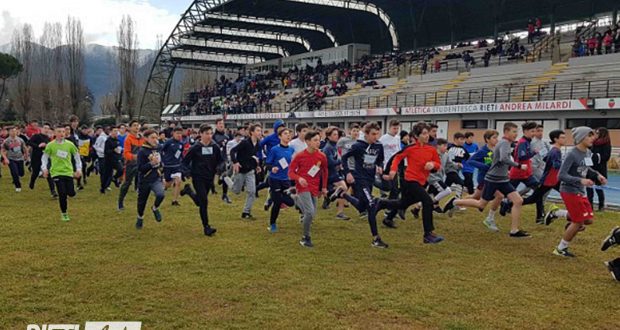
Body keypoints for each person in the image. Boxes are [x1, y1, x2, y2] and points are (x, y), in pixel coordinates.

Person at [448, 122, 530, 238]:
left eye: (517, 132)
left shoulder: (503, 144)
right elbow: (503, 158)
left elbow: (499, 160)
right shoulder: (504, 143)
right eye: (514, 131)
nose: (516, 134)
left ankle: (514, 230)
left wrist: (504, 169)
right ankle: (455, 202)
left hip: (503, 180)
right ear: (506, 132)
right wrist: (518, 166)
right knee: (480, 203)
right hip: (492, 179)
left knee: (518, 200)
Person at [377, 122, 445, 243]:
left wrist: (433, 164)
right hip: (410, 181)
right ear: (417, 136)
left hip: (422, 182)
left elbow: (438, 165)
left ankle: (381, 204)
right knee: (427, 201)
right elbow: (397, 157)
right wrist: (392, 170)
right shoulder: (411, 148)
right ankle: (428, 234)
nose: (427, 136)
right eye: (424, 133)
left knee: (402, 203)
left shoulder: (431, 149)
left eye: (427, 133)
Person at [552, 127, 607, 257]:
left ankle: (557, 213)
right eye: (589, 136)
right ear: (581, 138)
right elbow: (561, 176)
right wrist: (580, 180)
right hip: (569, 190)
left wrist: (597, 175)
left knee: (588, 220)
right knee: (578, 222)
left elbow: (586, 169)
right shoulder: (572, 154)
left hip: (580, 191)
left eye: (593, 135)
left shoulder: (587, 152)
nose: (593, 138)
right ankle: (560, 249)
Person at [336, 122, 389, 248]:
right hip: (359, 178)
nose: (375, 137)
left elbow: (380, 160)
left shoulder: (378, 146)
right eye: (373, 134)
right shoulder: (358, 146)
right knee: (371, 205)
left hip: (370, 179)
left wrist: (380, 167)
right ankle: (376, 238)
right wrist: (348, 173)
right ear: (366, 134)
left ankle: (343, 194)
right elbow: (344, 158)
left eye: (377, 134)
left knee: (362, 206)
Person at [180, 124, 225, 237]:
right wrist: (187, 172)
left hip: (209, 178)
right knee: (204, 202)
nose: (209, 136)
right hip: (198, 177)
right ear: (201, 134)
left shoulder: (215, 147)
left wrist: (219, 168)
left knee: (200, 202)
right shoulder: (195, 147)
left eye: (210, 133)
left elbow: (221, 161)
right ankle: (206, 227)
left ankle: (189, 191)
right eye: (206, 134)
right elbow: (184, 162)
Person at [288, 130, 328, 248]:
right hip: (303, 187)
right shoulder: (299, 156)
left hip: (315, 187)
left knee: (311, 214)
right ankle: (305, 237)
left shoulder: (322, 156)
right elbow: (290, 172)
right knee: (309, 212)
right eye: (315, 140)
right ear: (307, 142)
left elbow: (325, 171)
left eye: (319, 140)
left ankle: (296, 200)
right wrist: (299, 178)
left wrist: (324, 187)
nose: (318, 143)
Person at [521, 130, 565, 224]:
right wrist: (566, 165)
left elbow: (547, 159)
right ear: (555, 139)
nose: (564, 139)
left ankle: (541, 217)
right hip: (547, 181)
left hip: (554, 180)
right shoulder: (555, 152)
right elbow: (556, 165)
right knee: (533, 199)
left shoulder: (554, 150)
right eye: (562, 137)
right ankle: (510, 204)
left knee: (566, 193)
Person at [41, 125, 82, 221]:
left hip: (68, 172)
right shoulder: (50, 145)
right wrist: (44, 169)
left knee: (71, 193)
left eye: (63, 132)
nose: (61, 134)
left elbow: (77, 156)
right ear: (55, 133)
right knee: (62, 194)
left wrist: (79, 169)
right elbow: (44, 157)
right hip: (56, 172)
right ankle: (64, 213)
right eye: (59, 132)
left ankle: (71, 190)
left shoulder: (70, 144)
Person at [466, 129, 502, 231]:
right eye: (494, 138)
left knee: (476, 197)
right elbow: (470, 161)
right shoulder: (482, 151)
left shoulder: (496, 149)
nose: (496, 140)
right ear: (487, 139)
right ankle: (489, 219)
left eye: (497, 137)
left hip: (494, 178)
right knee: (499, 196)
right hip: (484, 179)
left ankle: (456, 202)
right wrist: (484, 166)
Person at [501, 121, 539, 216]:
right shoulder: (522, 142)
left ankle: (540, 214)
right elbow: (521, 157)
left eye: (535, 131)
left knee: (539, 189)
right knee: (508, 192)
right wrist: (533, 153)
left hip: (526, 173)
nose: (534, 133)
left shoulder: (527, 142)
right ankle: (505, 205)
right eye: (532, 131)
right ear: (525, 131)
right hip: (518, 172)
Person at [265, 127, 296, 232]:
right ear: (279, 136)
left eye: (289, 134)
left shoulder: (291, 149)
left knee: (291, 202)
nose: (288, 136)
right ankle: (272, 224)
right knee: (277, 203)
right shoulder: (275, 149)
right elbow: (267, 163)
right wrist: (272, 168)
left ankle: (272, 198)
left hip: (285, 179)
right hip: (274, 179)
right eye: (285, 134)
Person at [230, 123, 262, 219]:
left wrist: (257, 166)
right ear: (252, 132)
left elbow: (252, 156)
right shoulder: (245, 143)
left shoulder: (258, 144)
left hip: (250, 171)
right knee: (236, 191)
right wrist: (235, 162)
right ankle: (226, 178)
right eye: (258, 130)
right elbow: (232, 151)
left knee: (252, 191)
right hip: (240, 169)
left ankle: (246, 212)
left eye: (260, 130)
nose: (260, 132)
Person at [135, 130, 165, 229]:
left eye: (156, 137)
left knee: (161, 194)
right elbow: (140, 168)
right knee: (141, 202)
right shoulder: (142, 151)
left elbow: (161, 164)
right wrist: (151, 164)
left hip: (155, 178)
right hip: (144, 180)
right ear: (146, 138)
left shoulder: (158, 149)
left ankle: (155, 208)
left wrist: (162, 175)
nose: (155, 140)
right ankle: (140, 217)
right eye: (152, 137)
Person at [321, 126, 349, 220]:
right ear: (328, 136)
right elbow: (329, 162)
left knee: (344, 188)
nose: (337, 136)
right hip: (329, 174)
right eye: (334, 134)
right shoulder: (328, 148)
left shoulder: (334, 146)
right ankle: (330, 196)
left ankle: (339, 211)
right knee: (343, 188)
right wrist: (339, 161)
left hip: (335, 172)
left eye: (337, 134)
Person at [118, 120, 144, 210]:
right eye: (134, 125)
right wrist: (134, 157)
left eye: (138, 125)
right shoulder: (128, 139)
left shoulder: (142, 138)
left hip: (141, 163)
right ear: (130, 128)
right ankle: (120, 202)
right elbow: (126, 153)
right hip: (131, 164)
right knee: (127, 183)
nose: (136, 127)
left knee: (143, 181)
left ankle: (141, 202)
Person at [27, 123, 57, 197]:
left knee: (48, 174)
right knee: (36, 173)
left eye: (48, 128)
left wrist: (47, 146)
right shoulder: (36, 136)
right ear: (41, 129)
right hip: (36, 157)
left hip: (45, 158)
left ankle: (53, 191)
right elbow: (28, 142)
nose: (46, 130)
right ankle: (32, 181)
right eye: (45, 128)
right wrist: (38, 146)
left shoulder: (48, 138)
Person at [587, 127, 611, 211]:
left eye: (597, 133)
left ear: (602, 134)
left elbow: (606, 157)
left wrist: (596, 156)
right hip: (590, 167)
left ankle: (601, 206)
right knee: (589, 188)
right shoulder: (592, 143)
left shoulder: (606, 143)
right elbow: (587, 152)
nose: (596, 134)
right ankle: (590, 206)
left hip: (600, 169)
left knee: (599, 188)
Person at [161, 127, 185, 206]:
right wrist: (163, 161)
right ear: (173, 133)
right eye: (177, 133)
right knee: (168, 184)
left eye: (180, 133)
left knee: (178, 181)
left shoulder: (181, 144)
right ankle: (162, 184)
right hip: (168, 166)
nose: (179, 135)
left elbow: (181, 154)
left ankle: (174, 200)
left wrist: (183, 162)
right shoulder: (168, 142)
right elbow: (161, 151)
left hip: (177, 166)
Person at [1, 126, 28, 192]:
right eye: (12, 131)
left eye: (14, 131)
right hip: (11, 159)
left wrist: (26, 155)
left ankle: (18, 177)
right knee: (14, 173)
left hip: (20, 158)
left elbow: (24, 148)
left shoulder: (20, 139)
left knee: (21, 173)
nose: (13, 132)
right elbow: (2, 151)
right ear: (9, 132)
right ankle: (18, 186)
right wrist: (5, 159)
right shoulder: (7, 141)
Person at [213, 118, 232, 203]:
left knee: (225, 175)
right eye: (220, 123)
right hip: (214, 159)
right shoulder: (213, 136)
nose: (221, 125)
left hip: (224, 159)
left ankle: (224, 195)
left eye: (222, 124)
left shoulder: (227, 136)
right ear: (216, 125)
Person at [446, 132, 469, 199]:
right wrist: (456, 164)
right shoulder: (449, 147)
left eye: (463, 139)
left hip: (456, 170)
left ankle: (432, 202)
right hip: (449, 169)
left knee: (444, 188)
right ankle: (457, 202)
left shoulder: (463, 149)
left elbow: (469, 158)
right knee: (460, 183)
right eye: (461, 139)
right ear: (455, 139)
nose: (463, 141)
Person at [102, 126, 123, 191]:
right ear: (111, 132)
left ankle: (114, 178)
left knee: (121, 170)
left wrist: (120, 153)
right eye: (114, 131)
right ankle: (103, 188)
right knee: (107, 174)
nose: (116, 132)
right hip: (108, 160)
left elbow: (119, 150)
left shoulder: (118, 141)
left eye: (117, 131)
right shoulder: (108, 141)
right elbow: (106, 151)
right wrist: (113, 150)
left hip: (116, 159)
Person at [93, 127, 108, 193]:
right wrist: (103, 151)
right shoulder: (101, 137)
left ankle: (105, 185)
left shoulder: (107, 137)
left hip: (108, 156)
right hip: (101, 156)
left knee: (108, 172)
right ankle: (103, 187)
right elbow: (96, 146)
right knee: (103, 172)